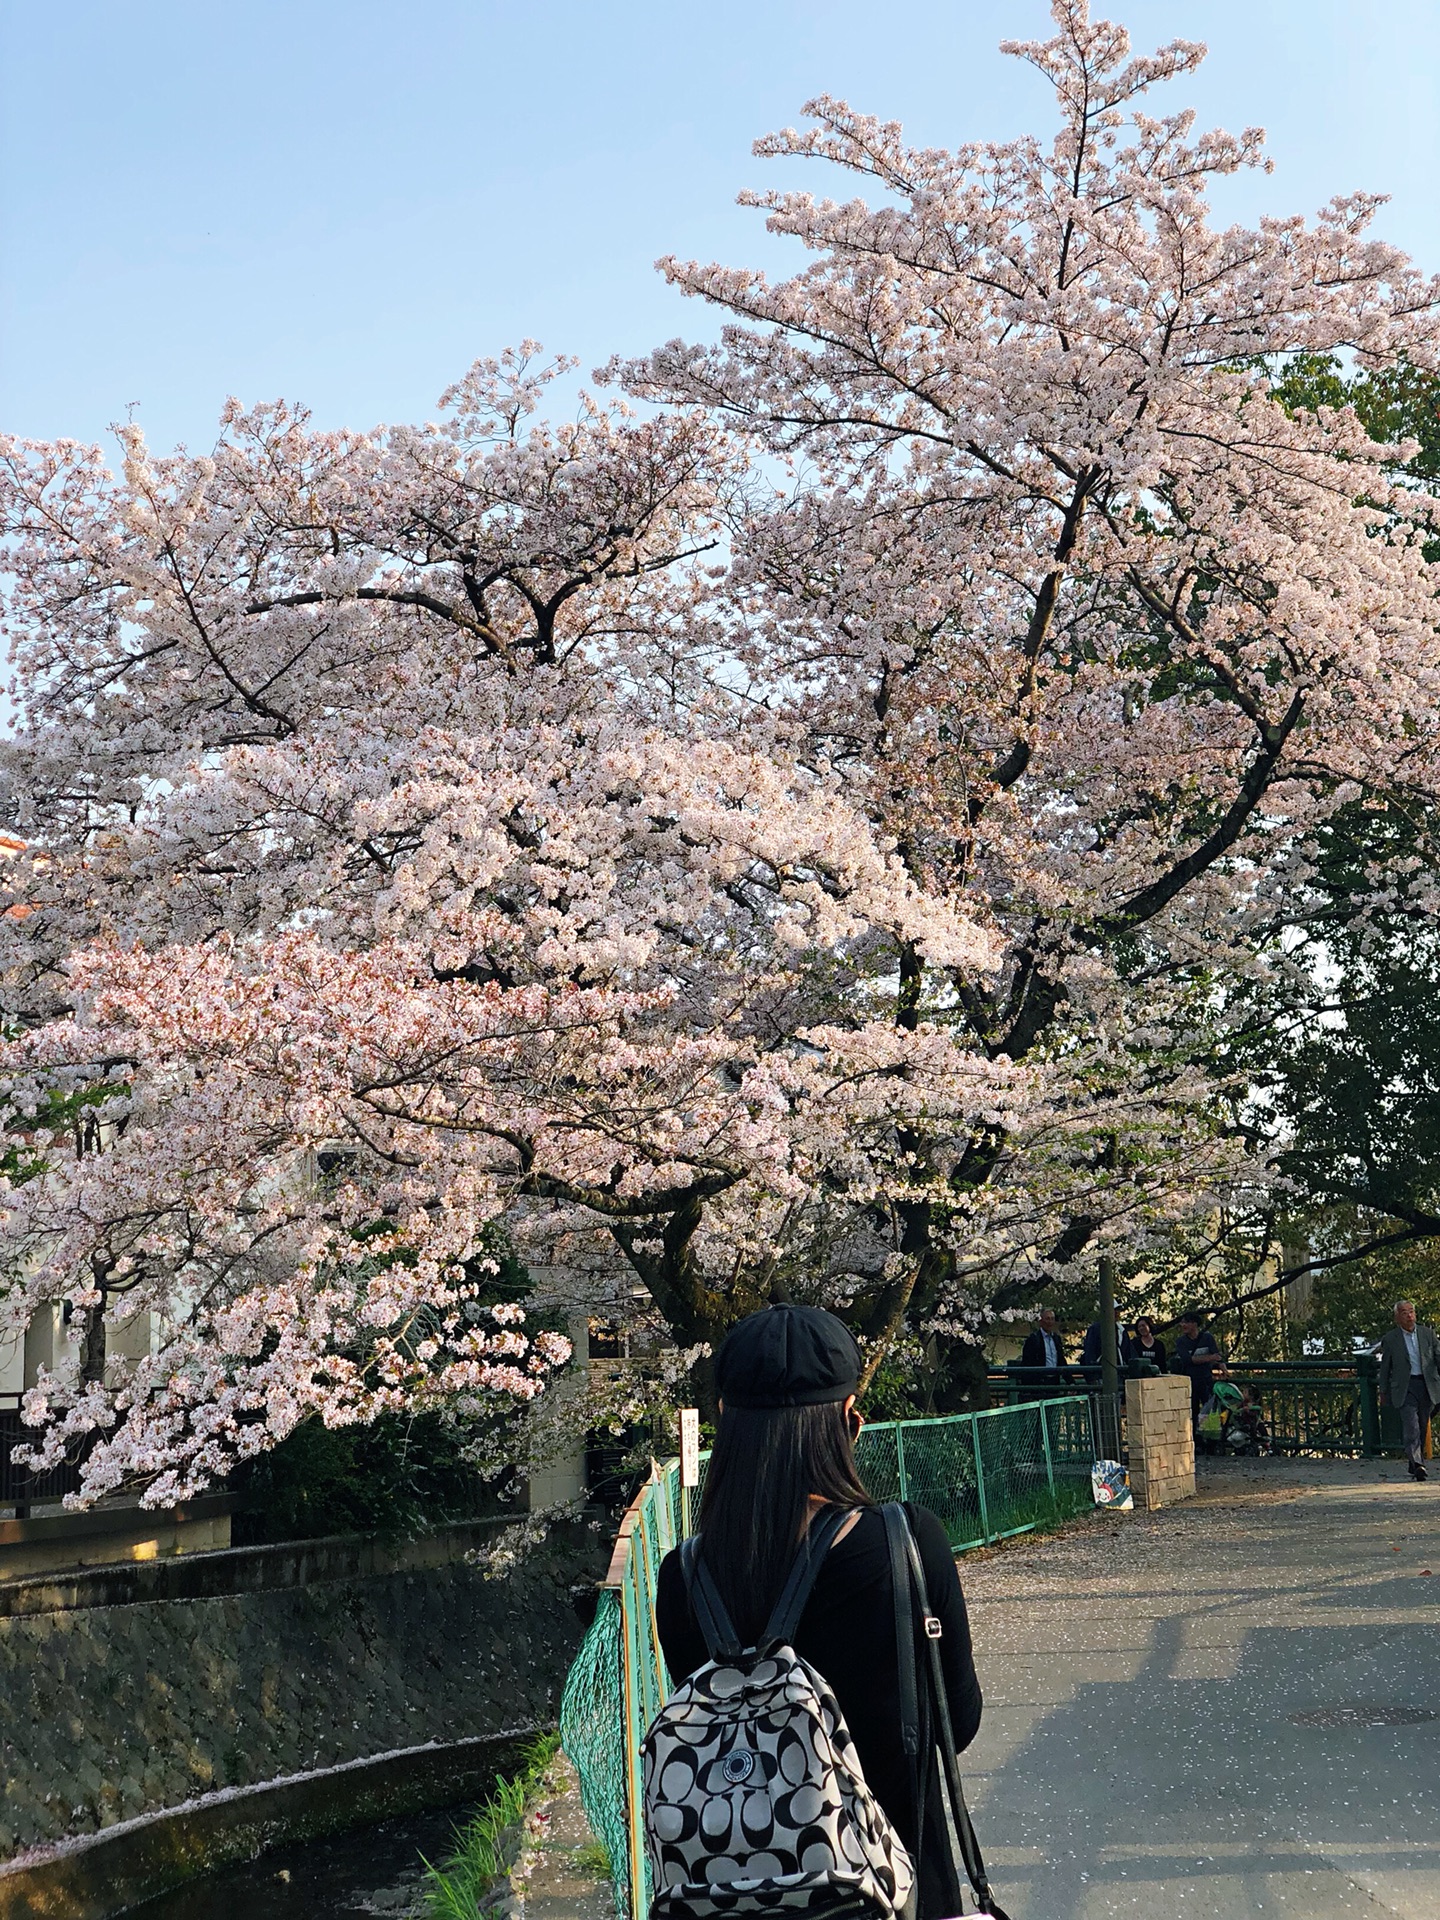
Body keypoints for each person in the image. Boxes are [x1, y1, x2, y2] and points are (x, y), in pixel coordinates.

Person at [655, 1303, 983, 1919]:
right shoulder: (906, 1542)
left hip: (733, 1901)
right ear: (848, 1423)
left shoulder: (685, 1576)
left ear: (725, 1423)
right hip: (898, 1892)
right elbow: (956, 1724)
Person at [1376, 1299, 1440, 1481]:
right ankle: (1419, 1464)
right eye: (1404, 1312)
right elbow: (1385, 1368)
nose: (1409, 1315)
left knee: (1421, 1423)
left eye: (1411, 1311)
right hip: (1405, 1386)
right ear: (1397, 1317)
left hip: (1427, 1384)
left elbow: (1437, 1357)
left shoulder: (1428, 1334)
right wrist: (1383, 1391)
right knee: (1411, 1426)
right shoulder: (1391, 1339)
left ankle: (1414, 1463)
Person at [1172, 1310, 1224, 1424]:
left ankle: (1210, 1435)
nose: (1183, 1325)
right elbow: (1188, 1360)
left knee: (1210, 1409)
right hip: (1190, 1381)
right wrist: (1209, 1358)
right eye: (1182, 1323)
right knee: (1192, 1412)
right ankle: (1195, 1437)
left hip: (1206, 1380)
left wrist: (1223, 1368)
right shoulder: (1181, 1342)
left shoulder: (1207, 1338)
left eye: (1186, 1322)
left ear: (1194, 1324)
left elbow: (1217, 1356)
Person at [1019, 1306, 1069, 1386]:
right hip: (1039, 1382)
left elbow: (1061, 1360)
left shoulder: (1056, 1339)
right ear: (1041, 1321)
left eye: (1052, 1319)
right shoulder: (1033, 1339)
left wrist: (1070, 1382)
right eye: (1047, 1319)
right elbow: (1027, 1362)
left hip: (1055, 1381)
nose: (1050, 1322)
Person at [1080, 1305, 1135, 1370]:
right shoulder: (1095, 1329)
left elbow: (1129, 1353)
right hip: (1101, 1372)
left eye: (1118, 1310)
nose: (1117, 1313)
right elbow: (1090, 1353)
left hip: (1120, 1372)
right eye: (1114, 1310)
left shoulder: (1122, 1331)